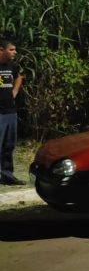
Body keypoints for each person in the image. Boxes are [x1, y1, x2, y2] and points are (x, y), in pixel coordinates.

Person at [0, 41, 25, 185]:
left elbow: (19, 77)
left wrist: (14, 91)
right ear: (1, 50)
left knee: (9, 145)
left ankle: (7, 175)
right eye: (11, 49)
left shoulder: (12, 65)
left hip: (10, 111)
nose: (15, 52)